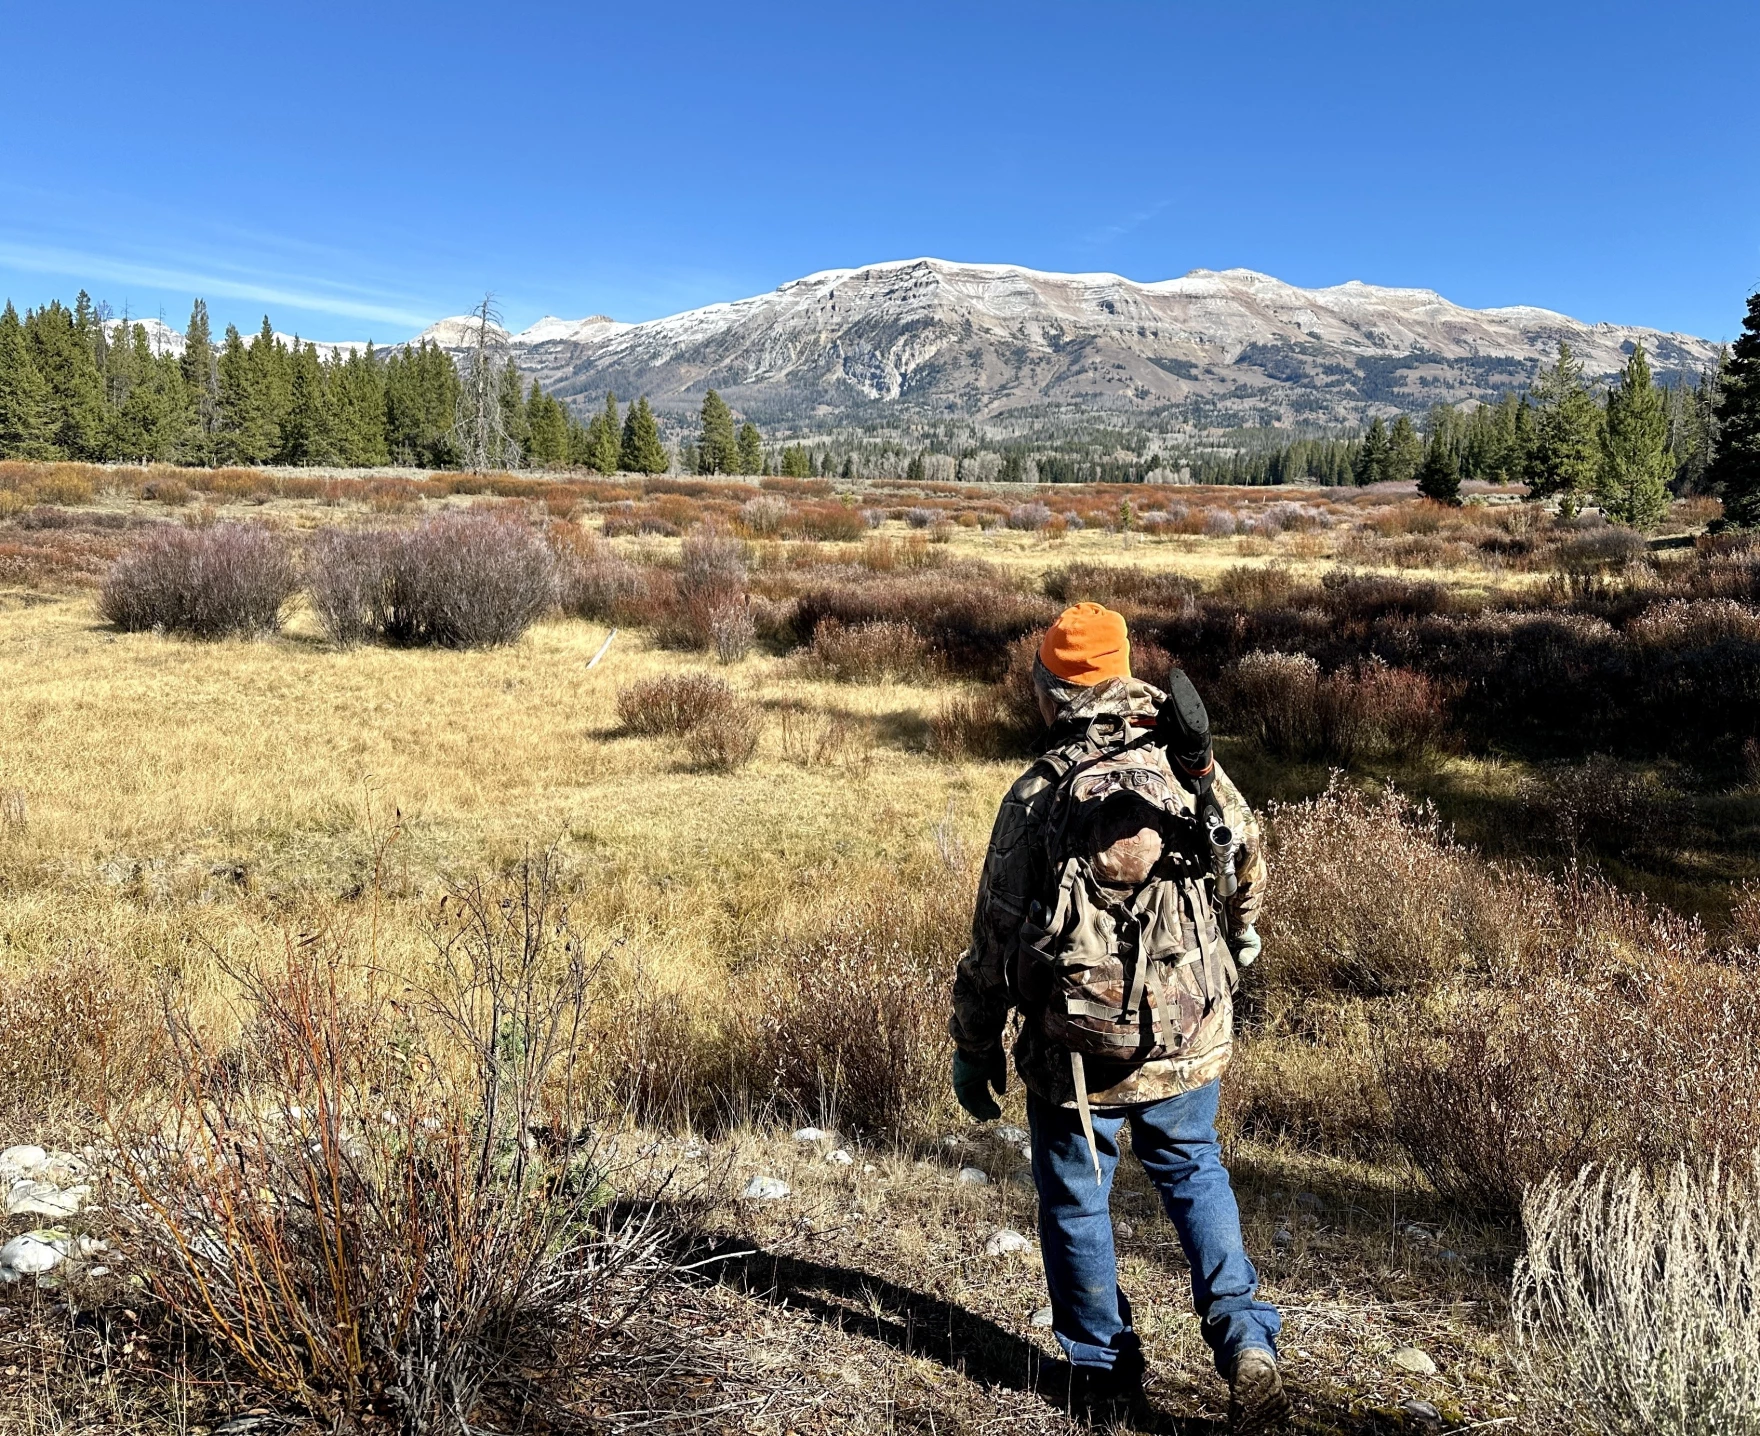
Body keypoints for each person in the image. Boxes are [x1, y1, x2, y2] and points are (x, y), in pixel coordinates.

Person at [949, 602, 1287, 1432]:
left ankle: (1104, 1377)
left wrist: (975, 1044)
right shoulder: (1186, 765)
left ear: (1052, 689)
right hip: (1186, 1032)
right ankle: (1246, 1343)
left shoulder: (1037, 792)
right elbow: (1245, 858)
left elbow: (996, 935)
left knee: (1075, 1198)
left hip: (1074, 1046)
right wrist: (1240, 936)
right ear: (1125, 670)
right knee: (1195, 1170)